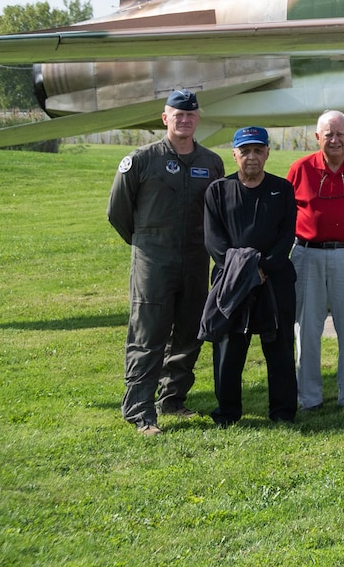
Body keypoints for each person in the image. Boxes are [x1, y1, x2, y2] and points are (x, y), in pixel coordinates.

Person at [106, 89, 225, 435]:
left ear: (198, 119)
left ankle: (172, 399)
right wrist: (146, 241)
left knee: (189, 332)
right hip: (153, 262)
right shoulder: (142, 160)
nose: (184, 120)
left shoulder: (210, 162)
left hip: (194, 260)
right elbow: (117, 212)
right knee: (149, 333)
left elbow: (216, 210)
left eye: (190, 115)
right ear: (165, 118)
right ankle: (139, 411)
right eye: (177, 115)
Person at [202, 127, 297, 426]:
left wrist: (263, 268)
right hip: (231, 284)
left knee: (279, 348)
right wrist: (244, 271)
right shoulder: (218, 190)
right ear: (234, 155)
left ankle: (282, 412)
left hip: (274, 280)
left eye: (258, 150)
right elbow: (214, 242)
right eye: (245, 151)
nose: (252, 157)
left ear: (268, 152)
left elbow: (287, 236)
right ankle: (227, 413)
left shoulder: (282, 190)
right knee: (229, 349)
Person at [287, 109, 344, 412]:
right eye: (329, 134)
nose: (335, 139)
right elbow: (286, 215)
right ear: (317, 137)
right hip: (307, 254)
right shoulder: (300, 169)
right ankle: (308, 397)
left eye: (341, 134)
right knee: (308, 328)